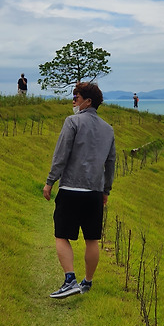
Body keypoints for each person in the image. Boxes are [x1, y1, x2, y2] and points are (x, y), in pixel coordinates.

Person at [43, 82, 116, 299]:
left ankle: (70, 280)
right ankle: (87, 282)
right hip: (94, 192)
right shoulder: (108, 129)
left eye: (76, 96)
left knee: (61, 235)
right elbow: (111, 163)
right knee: (92, 239)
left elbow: (61, 155)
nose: (73, 100)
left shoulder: (72, 122)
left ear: (88, 101)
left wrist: (50, 182)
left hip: (71, 188)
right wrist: (106, 191)